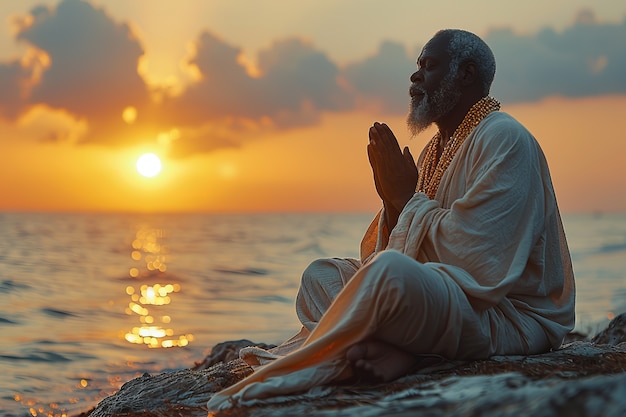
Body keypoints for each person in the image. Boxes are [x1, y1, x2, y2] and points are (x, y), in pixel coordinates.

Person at [207, 28, 575, 410]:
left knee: (387, 275)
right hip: (446, 304)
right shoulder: (435, 148)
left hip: (504, 315)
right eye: (416, 67)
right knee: (322, 276)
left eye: (429, 66)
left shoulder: (505, 138)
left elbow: (479, 260)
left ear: (466, 74)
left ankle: (395, 350)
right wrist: (394, 202)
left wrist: (403, 197)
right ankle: (401, 350)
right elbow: (408, 249)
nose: (415, 78)